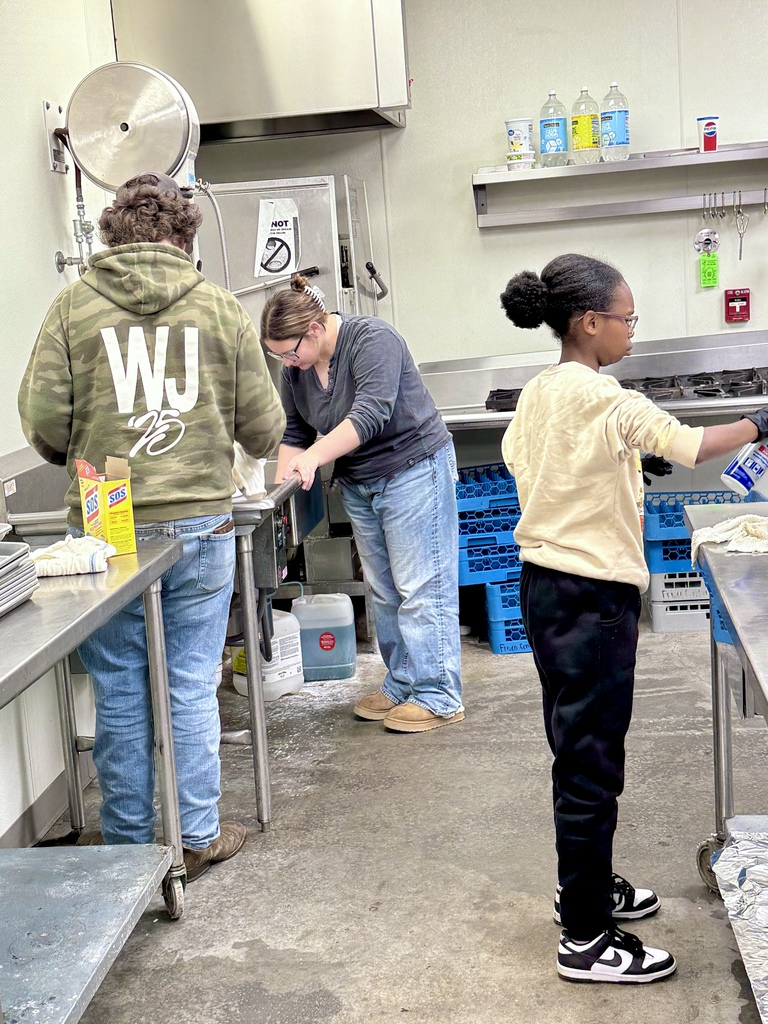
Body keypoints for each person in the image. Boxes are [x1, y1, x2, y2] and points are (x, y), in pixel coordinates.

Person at [499, 253, 768, 983]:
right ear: (591, 322)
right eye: (627, 319)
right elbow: (692, 446)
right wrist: (756, 421)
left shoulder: (539, 391)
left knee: (575, 747)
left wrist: (612, 468)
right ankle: (585, 939)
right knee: (592, 766)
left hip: (545, 586)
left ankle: (582, 890)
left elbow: (529, 464)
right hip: (594, 598)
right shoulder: (608, 397)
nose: (631, 333)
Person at [18, 172, 285, 880]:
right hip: (200, 520)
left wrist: (80, 452)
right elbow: (264, 429)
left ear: (110, 234)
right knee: (191, 683)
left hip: (109, 528)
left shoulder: (72, 308)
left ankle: (131, 849)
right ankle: (196, 834)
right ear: (183, 236)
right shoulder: (220, 309)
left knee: (120, 689)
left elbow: (42, 418)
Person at [260, 276, 463, 733]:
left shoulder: (373, 339)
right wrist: (276, 500)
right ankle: (403, 683)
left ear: (314, 329)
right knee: (384, 590)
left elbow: (370, 414)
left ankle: (439, 693)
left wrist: (315, 456)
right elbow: (294, 433)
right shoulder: (296, 370)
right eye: (277, 356)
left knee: (420, 586)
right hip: (360, 482)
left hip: (412, 469)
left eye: (289, 351)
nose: (285, 362)